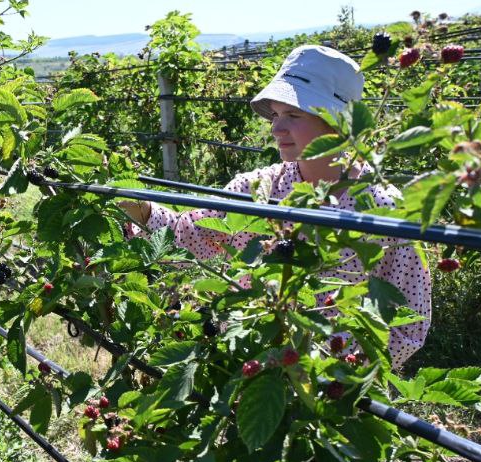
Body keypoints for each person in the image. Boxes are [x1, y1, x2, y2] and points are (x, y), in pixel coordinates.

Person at [120, 45, 430, 371]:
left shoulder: (384, 209)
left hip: (332, 389)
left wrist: (344, 378)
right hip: (250, 365)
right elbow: (189, 237)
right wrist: (139, 209)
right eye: (276, 114)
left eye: (293, 115)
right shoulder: (259, 190)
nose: (277, 128)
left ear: (338, 123)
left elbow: (408, 326)